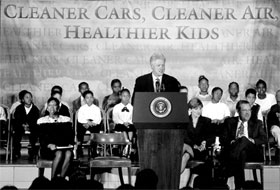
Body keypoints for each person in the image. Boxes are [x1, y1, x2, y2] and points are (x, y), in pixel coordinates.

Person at [222, 100, 266, 189]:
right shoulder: (230, 122)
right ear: (238, 111)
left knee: (243, 139)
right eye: (244, 110)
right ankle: (239, 187)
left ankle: (225, 173)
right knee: (242, 153)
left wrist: (252, 140)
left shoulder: (257, 123)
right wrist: (232, 142)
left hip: (253, 153)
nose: (247, 113)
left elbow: (264, 139)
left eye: (249, 110)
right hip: (239, 153)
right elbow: (223, 138)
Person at [37, 97, 74, 179]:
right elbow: (42, 138)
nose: (52, 108)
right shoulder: (42, 120)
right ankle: (53, 181)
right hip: (48, 149)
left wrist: (68, 143)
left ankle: (61, 179)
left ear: (58, 107)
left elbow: (69, 136)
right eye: (49, 105)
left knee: (69, 153)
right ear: (47, 107)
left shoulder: (66, 119)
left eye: (54, 105)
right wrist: (49, 144)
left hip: (63, 147)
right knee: (59, 153)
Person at [180, 98, 212, 186]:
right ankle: (175, 176)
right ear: (190, 110)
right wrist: (193, 145)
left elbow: (210, 136)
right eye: (196, 109)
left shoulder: (206, 121)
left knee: (184, 148)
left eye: (200, 108)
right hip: (190, 148)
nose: (199, 111)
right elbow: (184, 136)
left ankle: (171, 174)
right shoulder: (184, 121)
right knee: (185, 154)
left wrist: (205, 142)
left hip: (201, 151)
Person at [13, 91, 40, 160]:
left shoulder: (35, 109)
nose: (29, 99)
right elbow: (17, 119)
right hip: (21, 127)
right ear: (22, 99)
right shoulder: (19, 108)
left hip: (31, 127)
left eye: (30, 97)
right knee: (16, 134)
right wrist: (23, 125)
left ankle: (32, 152)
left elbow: (36, 120)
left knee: (35, 133)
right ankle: (16, 152)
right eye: (27, 97)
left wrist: (29, 126)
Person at [77, 90, 102, 157]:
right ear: (85, 99)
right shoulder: (82, 108)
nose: (89, 99)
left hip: (93, 124)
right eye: (87, 98)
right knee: (79, 128)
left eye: (91, 97)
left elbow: (98, 119)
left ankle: (94, 149)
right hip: (84, 123)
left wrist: (92, 123)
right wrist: (87, 122)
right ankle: (79, 147)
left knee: (96, 129)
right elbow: (80, 118)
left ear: (93, 98)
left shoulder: (96, 108)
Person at [267, 90, 280, 158]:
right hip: (275, 127)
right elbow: (270, 122)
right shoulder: (273, 108)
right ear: (276, 97)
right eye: (278, 95)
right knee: (277, 131)